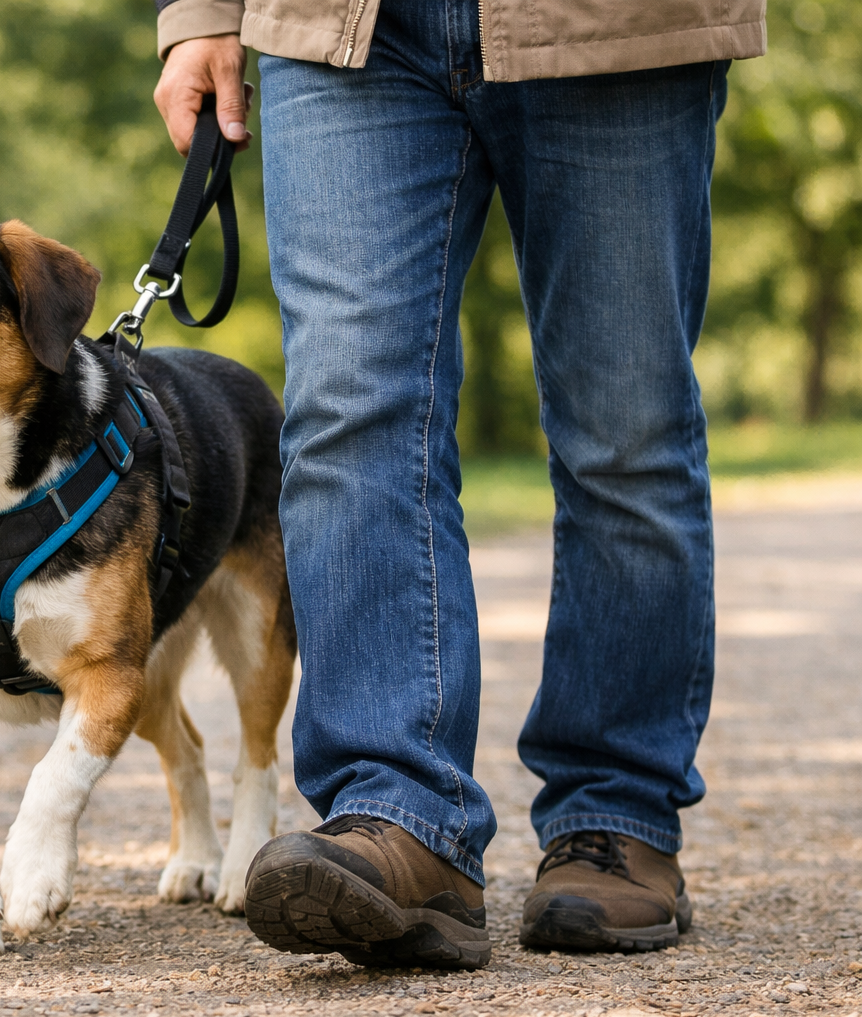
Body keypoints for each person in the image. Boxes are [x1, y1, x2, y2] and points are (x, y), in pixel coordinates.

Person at [151, 0, 765, 965]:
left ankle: (616, 816)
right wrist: (199, 13)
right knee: (348, 415)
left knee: (625, 433)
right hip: (342, 24)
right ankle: (397, 815)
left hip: (617, 26)